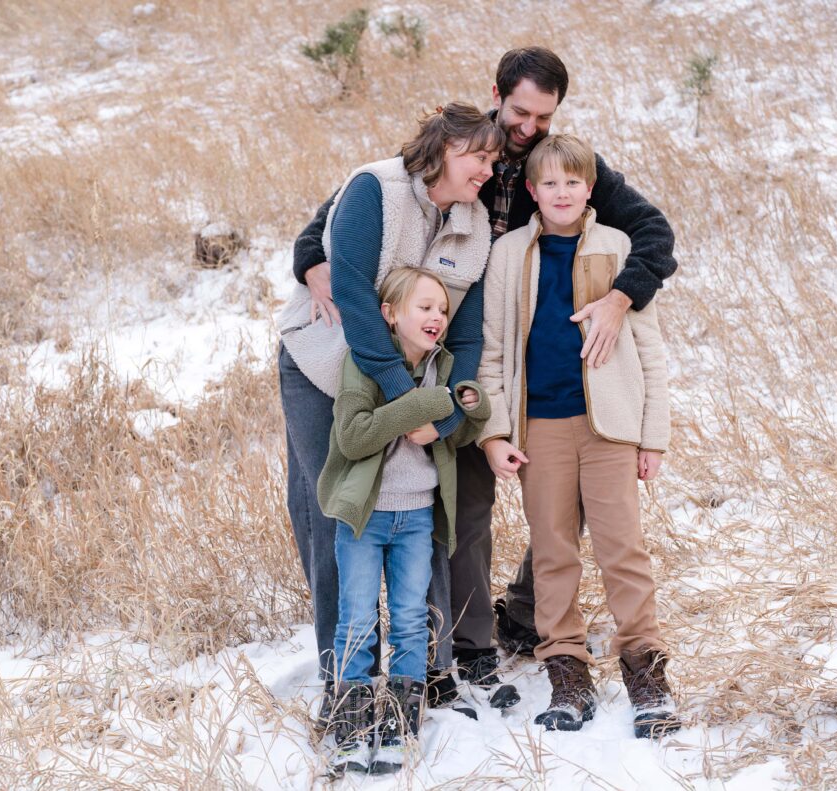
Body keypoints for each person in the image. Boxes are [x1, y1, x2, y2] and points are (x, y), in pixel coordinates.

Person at [291, 47, 678, 695]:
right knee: (458, 499)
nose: (527, 129)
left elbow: (653, 232)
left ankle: (526, 613)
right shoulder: (460, 145)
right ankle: (454, 642)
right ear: (498, 94)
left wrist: (619, 296)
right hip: (437, 346)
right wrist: (309, 257)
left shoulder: (564, 166)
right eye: (520, 112)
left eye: (542, 117)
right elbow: (340, 216)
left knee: (567, 497)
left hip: (519, 356)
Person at [277, 103, 504, 722]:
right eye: (477, 157)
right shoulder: (375, 188)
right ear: (441, 149)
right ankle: (343, 684)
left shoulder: (476, 223)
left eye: (492, 160)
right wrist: (404, 400)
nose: (488, 169)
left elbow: (465, 337)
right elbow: (352, 294)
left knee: (418, 507)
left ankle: (424, 673)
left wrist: (449, 417)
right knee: (340, 512)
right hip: (327, 365)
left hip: (422, 385)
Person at [477, 134, 680, 738]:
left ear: (591, 189)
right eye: (549, 184)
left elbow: (649, 351)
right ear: (531, 192)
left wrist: (653, 438)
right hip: (540, 425)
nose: (561, 193)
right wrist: (493, 431)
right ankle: (566, 667)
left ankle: (645, 666)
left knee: (623, 548)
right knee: (552, 552)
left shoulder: (618, 248)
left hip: (611, 428)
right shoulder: (509, 254)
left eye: (574, 183)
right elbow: (491, 353)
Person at [318, 268, 490, 774]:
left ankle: (398, 720)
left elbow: (454, 435)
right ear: (391, 315)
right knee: (357, 620)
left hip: (416, 516)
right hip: (365, 518)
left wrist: (468, 409)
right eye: (425, 307)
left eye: (442, 309)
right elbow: (353, 436)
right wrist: (422, 404)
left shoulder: (446, 367)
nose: (437, 316)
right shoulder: (365, 365)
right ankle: (351, 723)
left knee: (412, 620)